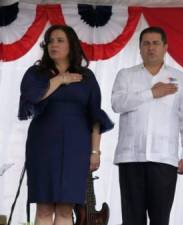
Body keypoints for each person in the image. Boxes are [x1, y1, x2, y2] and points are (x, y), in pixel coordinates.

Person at [18, 25, 114, 225]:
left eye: (60, 40)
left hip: (76, 147)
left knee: (65, 208)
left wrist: (95, 152)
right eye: (51, 41)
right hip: (43, 145)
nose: (54, 44)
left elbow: (95, 116)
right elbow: (33, 97)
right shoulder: (36, 73)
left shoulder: (87, 77)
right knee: (43, 207)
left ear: (72, 45)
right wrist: (60, 79)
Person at [111, 26, 183, 225]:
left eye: (156, 43)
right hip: (130, 157)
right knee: (132, 220)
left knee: (160, 219)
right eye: (146, 44)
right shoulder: (126, 75)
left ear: (165, 47)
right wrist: (151, 93)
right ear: (139, 48)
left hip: (164, 158)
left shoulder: (180, 80)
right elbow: (117, 104)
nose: (151, 48)